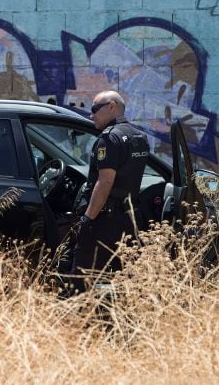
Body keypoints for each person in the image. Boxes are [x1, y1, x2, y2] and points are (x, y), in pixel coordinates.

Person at [69, 90, 149, 293]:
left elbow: (105, 183)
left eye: (95, 109)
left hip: (105, 221)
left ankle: (78, 318)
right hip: (130, 219)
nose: (91, 115)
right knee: (125, 279)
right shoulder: (138, 136)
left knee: (82, 278)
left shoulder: (109, 139)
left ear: (111, 107)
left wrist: (87, 218)